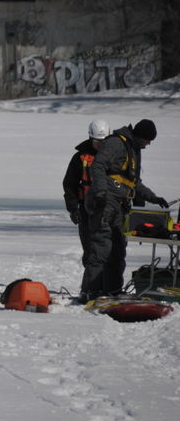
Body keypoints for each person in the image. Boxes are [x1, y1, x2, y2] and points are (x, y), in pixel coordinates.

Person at [80, 119, 170, 302]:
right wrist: (101, 191)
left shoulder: (133, 148)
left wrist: (153, 198)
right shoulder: (115, 143)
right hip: (104, 202)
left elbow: (133, 182)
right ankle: (89, 291)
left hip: (120, 205)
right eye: (148, 140)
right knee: (101, 249)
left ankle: (112, 290)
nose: (149, 144)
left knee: (118, 249)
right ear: (140, 136)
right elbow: (97, 166)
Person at [62, 119, 109, 262]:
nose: (100, 145)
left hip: (109, 209)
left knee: (109, 251)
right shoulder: (79, 158)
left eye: (103, 141)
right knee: (89, 250)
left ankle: (106, 283)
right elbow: (69, 184)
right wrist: (73, 208)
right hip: (86, 209)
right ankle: (90, 281)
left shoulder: (114, 156)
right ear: (90, 138)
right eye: (97, 141)